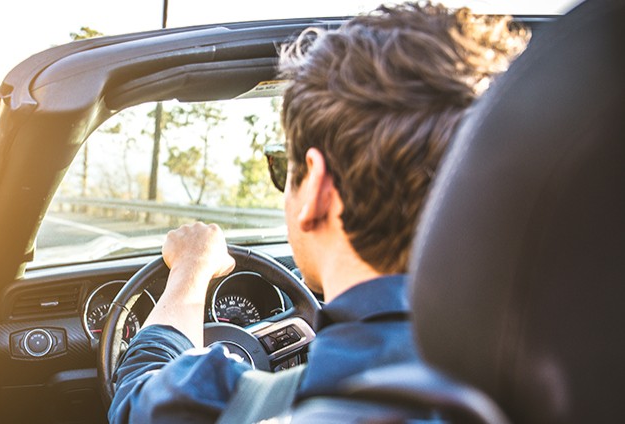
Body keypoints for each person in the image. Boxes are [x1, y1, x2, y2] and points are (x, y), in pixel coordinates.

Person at [109, 3, 529, 423]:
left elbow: (136, 393)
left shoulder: (237, 405)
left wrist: (191, 268)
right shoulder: (570, 375)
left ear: (317, 189)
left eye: (283, 170)